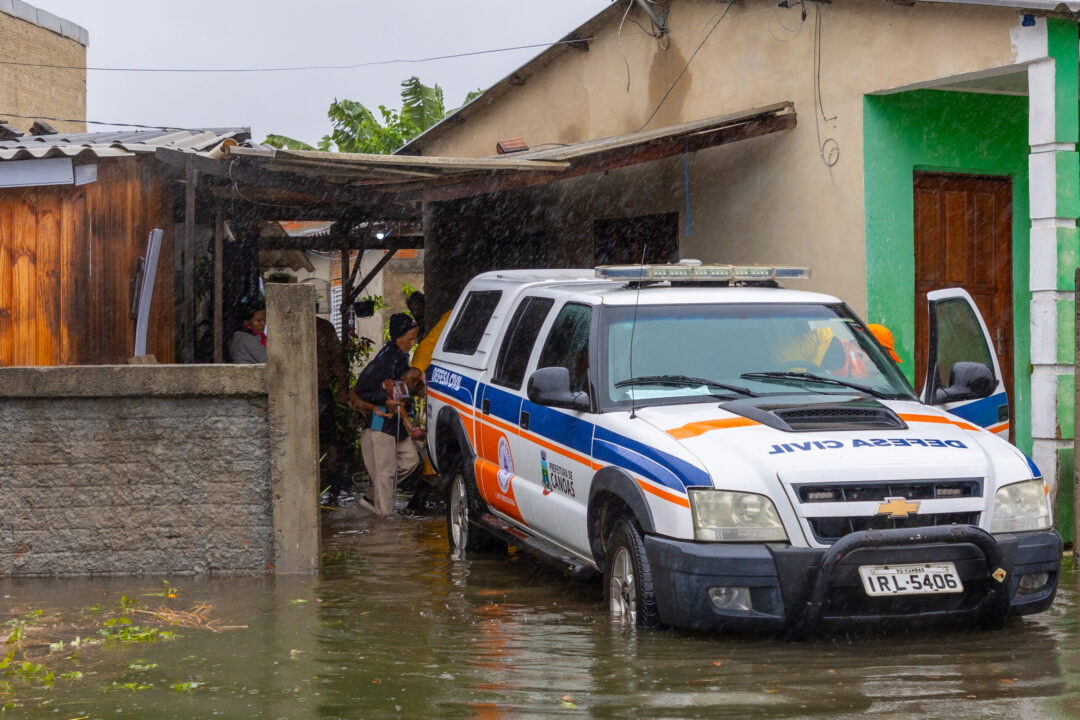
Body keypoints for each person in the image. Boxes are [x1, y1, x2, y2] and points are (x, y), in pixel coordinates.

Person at [354, 313, 422, 516]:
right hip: (381, 424)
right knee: (385, 474)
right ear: (398, 337)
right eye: (409, 339)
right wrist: (384, 399)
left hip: (396, 424)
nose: (413, 343)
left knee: (411, 461)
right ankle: (384, 523)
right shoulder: (386, 359)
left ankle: (371, 496)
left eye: (414, 338)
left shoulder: (401, 357)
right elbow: (361, 387)